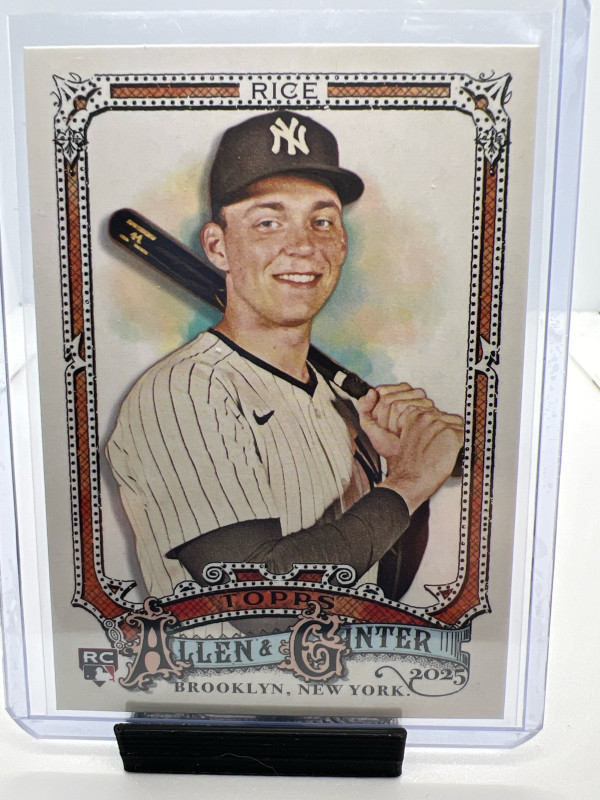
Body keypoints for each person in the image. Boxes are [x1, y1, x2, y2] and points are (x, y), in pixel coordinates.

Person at [106, 111, 463, 602]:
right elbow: (259, 599)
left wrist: (406, 469)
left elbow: (379, 587)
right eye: (269, 222)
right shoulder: (182, 392)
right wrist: (411, 480)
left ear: (342, 243)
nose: (303, 246)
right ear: (218, 247)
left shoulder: (343, 405)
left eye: (322, 221)